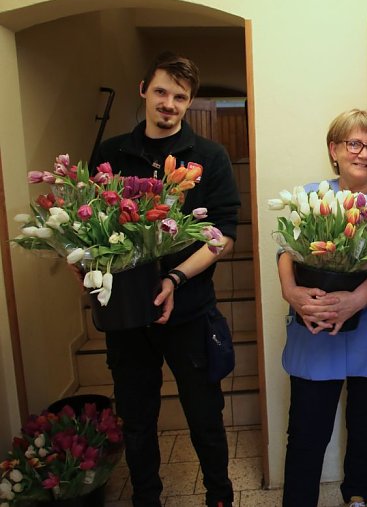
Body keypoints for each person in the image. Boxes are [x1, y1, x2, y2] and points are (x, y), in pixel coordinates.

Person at [90, 52, 239, 507]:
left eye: (180, 96)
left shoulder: (209, 157)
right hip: (127, 317)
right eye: (160, 92)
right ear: (143, 90)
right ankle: (147, 499)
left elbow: (223, 235)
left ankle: (219, 497)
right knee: (137, 421)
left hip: (190, 311)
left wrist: (174, 278)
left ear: (189, 102)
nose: (169, 104)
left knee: (206, 417)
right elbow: (93, 224)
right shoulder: (111, 153)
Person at [277, 109, 367, 507]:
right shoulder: (310, 196)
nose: (363, 153)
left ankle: (356, 497)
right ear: (334, 149)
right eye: (354, 143)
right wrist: (290, 292)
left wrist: (356, 300)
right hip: (316, 325)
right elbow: (287, 249)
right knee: (306, 431)